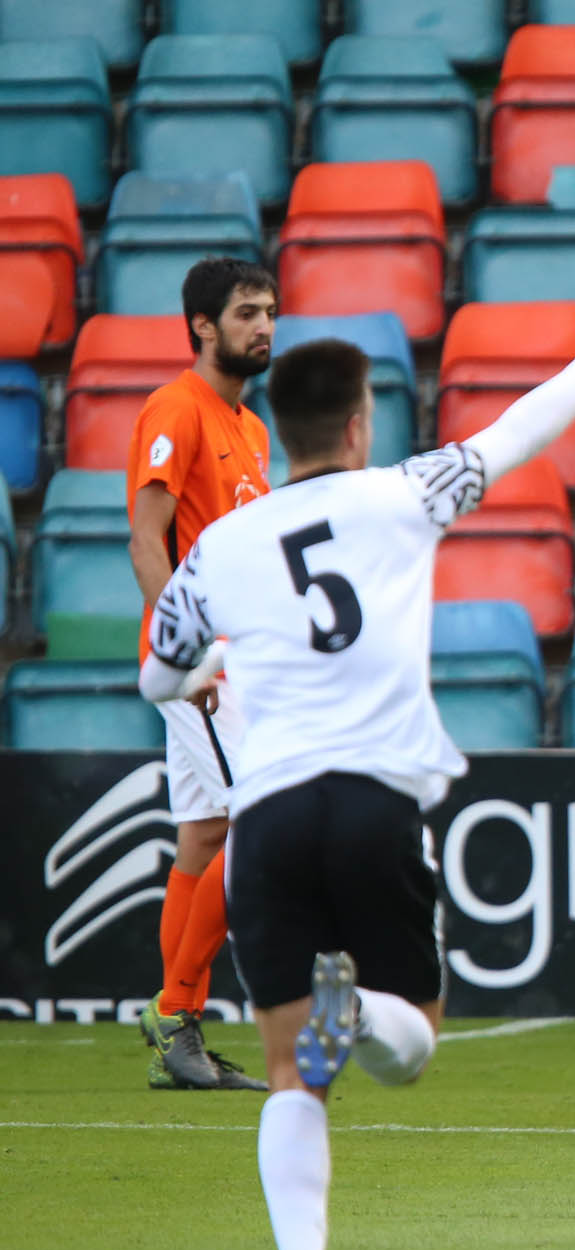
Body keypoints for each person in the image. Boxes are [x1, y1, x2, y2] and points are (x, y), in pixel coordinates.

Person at [139, 299, 575, 1250]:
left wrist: (209, 662)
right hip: (374, 802)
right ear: (362, 421)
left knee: (292, 1072)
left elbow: (159, 673)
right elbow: (512, 435)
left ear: (279, 429)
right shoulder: (406, 492)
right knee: (411, 1038)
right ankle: (360, 1016)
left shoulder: (223, 546)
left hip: (271, 817)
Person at [125, 257, 279, 1091]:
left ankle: (177, 1035)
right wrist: (188, 655)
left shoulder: (251, 429)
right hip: (200, 660)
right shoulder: (175, 409)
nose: (264, 326)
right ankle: (175, 1004)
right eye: (248, 312)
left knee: (205, 835)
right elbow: (146, 539)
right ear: (203, 327)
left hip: (240, 656)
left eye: (270, 311)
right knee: (255, 821)